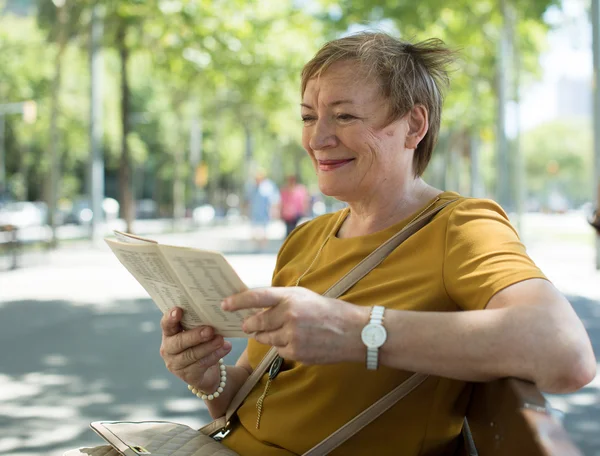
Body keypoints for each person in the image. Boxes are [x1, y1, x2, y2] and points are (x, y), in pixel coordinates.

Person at [160, 32, 596, 456]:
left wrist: (355, 332)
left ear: (414, 125)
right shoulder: (305, 238)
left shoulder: (460, 225)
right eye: (309, 117)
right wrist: (207, 376)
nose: (317, 138)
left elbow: (566, 353)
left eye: (345, 116)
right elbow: (249, 394)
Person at [245, 169, 279, 252]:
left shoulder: (269, 186)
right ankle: (255, 248)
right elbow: (247, 199)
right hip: (254, 213)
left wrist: (274, 211)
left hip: (265, 213)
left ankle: (263, 249)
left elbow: (274, 199)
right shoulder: (251, 186)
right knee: (253, 231)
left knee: (264, 231)